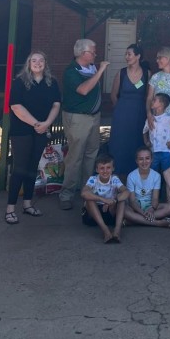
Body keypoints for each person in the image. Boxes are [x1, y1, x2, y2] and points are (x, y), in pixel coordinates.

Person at [5, 50, 61, 224]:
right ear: (28, 64)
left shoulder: (52, 83)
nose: (37, 63)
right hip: (22, 132)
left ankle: (27, 204)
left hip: (41, 131)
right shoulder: (19, 82)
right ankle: (10, 209)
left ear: (46, 63)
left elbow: (56, 104)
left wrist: (47, 124)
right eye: (34, 60)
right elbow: (16, 107)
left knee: (32, 167)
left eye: (41, 60)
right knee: (19, 168)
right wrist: (37, 124)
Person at [59, 39, 110, 210]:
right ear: (82, 53)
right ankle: (66, 194)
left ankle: (86, 191)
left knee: (91, 154)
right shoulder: (71, 71)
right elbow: (84, 89)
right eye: (93, 52)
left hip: (94, 117)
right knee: (75, 157)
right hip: (78, 118)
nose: (96, 54)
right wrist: (101, 70)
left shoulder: (90, 68)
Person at [109, 43, 150, 177]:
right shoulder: (121, 73)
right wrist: (120, 109)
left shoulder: (147, 74)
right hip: (122, 114)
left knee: (137, 141)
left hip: (139, 113)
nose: (126, 57)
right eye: (126, 54)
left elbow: (149, 95)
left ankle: (136, 173)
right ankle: (118, 173)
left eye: (129, 54)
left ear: (138, 56)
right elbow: (113, 95)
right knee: (120, 142)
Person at [81, 154, 129, 243]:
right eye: (102, 168)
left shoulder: (114, 179)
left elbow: (126, 192)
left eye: (108, 168)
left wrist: (114, 200)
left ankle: (117, 231)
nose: (105, 171)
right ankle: (105, 230)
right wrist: (104, 200)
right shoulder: (93, 179)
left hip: (110, 211)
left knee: (122, 200)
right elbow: (84, 193)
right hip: (93, 215)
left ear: (113, 168)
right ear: (97, 170)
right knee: (89, 199)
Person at [124, 147, 170, 228]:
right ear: (136, 161)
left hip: (150, 206)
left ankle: (133, 221)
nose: (144, 162)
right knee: (124, 210)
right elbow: (132, 201)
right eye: (141, 159)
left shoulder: (156, 176)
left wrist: (151, 209)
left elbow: (155, 198)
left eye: (147, 158)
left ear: (152, 159)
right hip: (136, 208)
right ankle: (158, 223)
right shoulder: (131, 176)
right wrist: (142, 213)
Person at [144, 93, 170, 174]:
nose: (152, 102)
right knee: (153, 172)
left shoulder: (169, 118)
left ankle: (167, 183)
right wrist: (146, 142)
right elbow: (145, 131)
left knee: (167, 172)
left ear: (161, 104)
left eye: (154, 100)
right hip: (153, 151)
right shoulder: (150, 119)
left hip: (166, 151)